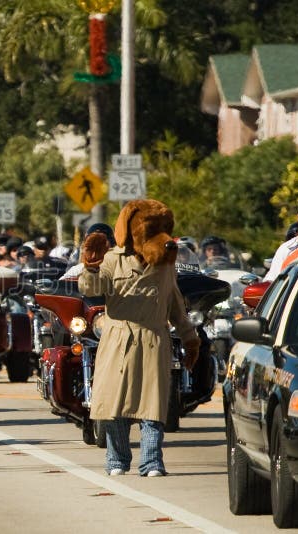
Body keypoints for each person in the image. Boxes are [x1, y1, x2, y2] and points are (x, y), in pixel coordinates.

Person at [78, 199, 199, 477]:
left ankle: (151, 461)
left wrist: (190, 338)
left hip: (154, 338)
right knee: (114, 406)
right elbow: (91, 289)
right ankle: (117, 460)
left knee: (153, 406)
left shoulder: (165, 264)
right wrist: (91, 267)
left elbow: (176, 305)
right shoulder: (111, 259)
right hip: (118, 339)